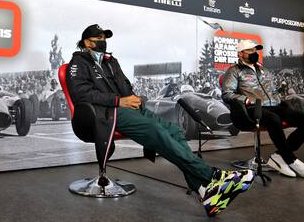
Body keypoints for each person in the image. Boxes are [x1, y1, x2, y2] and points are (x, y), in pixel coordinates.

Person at [66, 24, 255, 217]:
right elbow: (80, 94)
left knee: (174, 131)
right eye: (98, 38)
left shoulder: (111, 61)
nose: (103, 41)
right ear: (87, 42)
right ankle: (213, 176)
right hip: (105, 113)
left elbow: (124, 86)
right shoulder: (78, 63)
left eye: (105, 38)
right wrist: (118, 101)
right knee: (156, 132)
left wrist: (133, 98)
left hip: (129, 108)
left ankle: (204, 191)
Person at [222, 40, 304, 179]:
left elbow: (272, 90)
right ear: (240, 54)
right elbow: (227, 94)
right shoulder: (234, 71)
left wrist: (280, 100)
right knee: (274, 119)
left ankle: (279, 156)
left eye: (255, 50)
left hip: (274, 106)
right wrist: (247, 100)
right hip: (251, 108)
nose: (254, 53)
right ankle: (291, 160)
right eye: (250, 51)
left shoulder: (264, 70)